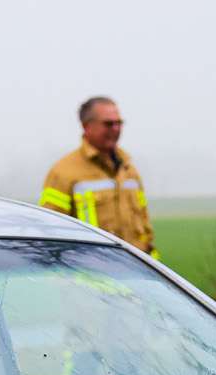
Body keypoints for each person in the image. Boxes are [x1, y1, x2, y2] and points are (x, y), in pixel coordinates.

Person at [40, 97, 156, 256]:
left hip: (134, 275)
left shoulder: (129, 170)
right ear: (86, 126)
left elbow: (145, 229)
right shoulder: (62, 172)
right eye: (108, 124)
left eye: (119, 123)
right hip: (90, 275)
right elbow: (51, 234)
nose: (115, 128)